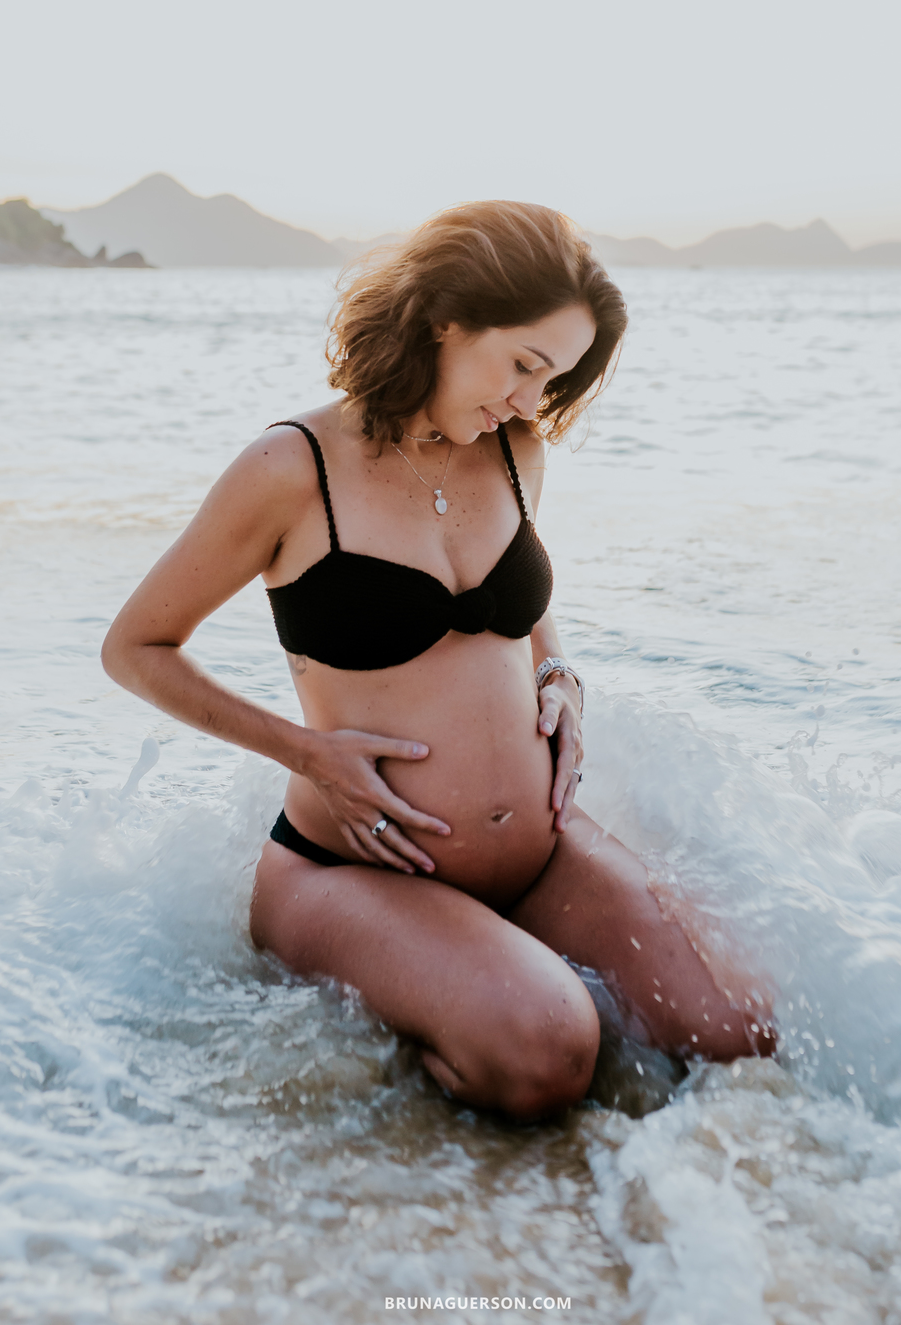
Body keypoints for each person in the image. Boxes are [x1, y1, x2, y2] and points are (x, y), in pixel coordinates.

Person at [103, 201, 774, 1119]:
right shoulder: (292, 469)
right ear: (445, 319)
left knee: (737, 1032)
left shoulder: (515, 451)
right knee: (548, 1056)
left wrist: (557, 674)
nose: (533, 400)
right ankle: (422, 1066)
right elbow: (135, 648)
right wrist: (307, 755)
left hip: (535, 856)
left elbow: (518, 602)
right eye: (526, 365)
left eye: (557, 378)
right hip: (355, 873)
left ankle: (480, 969)